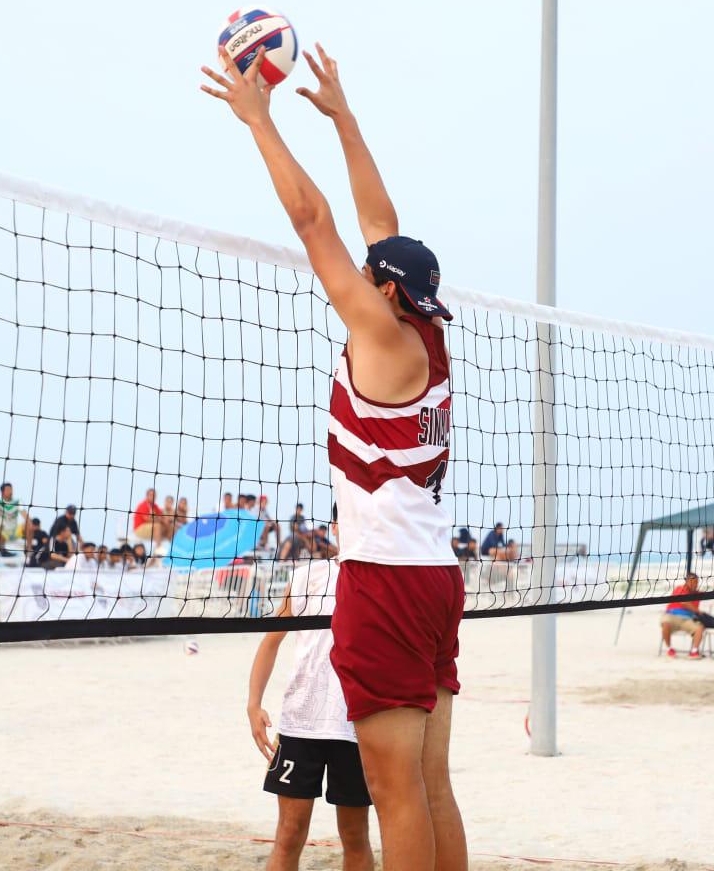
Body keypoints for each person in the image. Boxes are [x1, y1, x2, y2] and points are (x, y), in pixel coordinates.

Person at [204, 43, 466, 871]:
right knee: (431, 783)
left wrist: (259, 122)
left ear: (383, 291)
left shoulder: (381, 335)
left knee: (395, 794)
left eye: (366, 275)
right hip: (435, 574)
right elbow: (381, 225)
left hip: (384, 579)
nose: (356, 272)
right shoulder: (426, 331)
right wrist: (345, 119)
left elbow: (314, 222)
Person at [247, 547, 373, 871]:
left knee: (355, 835)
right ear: (335, 526)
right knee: (289, 834)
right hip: (301, 723)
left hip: (356, 726)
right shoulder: (307, 576)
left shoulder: (382, 575)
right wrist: (254, 703)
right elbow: (271, 641)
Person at [661, 573, 707, 658]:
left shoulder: (698, 593)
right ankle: (669, 649)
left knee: (700, 628)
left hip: (688, 620)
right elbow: (684, 602)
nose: (695, 584)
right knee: (665, 621)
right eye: (693, 582)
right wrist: (697, 611)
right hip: (673, 616)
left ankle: (694, 651)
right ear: (687, 581)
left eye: (696, 582)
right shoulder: (680, 589)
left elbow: (712, 594)